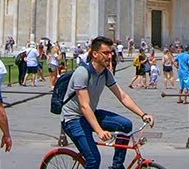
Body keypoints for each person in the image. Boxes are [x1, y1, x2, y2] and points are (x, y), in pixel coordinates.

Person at [59, 36, 154, 169]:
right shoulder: (82, 73)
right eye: (105, 53)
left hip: (90, 114)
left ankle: (117, 166)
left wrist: (143, 114)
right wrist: (99, 131)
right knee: (93, 160)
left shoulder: (105, 73)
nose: (109, 56)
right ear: (95, 54)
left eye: (111, 53)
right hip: (73, 119)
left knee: (126, 125)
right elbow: (84, 106)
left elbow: (122, 96)